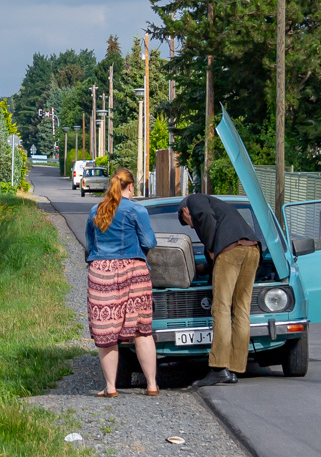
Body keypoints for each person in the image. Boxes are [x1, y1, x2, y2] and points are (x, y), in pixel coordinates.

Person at [85, 168, 160, 396]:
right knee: (142, 330)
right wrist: (135, 252)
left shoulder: (95, 210)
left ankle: (110, 387)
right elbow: (149, 241)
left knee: (106, 334)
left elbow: (89, 246)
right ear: (131, 187)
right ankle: (151, 385)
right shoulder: (138, 210)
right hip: (134, 271)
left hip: (101, 273)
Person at [178, 193, 260, 386]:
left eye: (188, 221)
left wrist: (211, 248)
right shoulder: (222, 208)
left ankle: (218, 368)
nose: (192, 226)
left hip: (230, 251)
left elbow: (205, 216)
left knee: (221, 308)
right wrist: (205, 266)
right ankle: (235, 367)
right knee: (241, 309)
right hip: (252, 250)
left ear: (185, 211)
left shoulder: (194, 199)